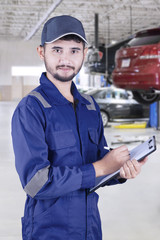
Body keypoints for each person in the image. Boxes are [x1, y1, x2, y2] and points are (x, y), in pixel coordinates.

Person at [11, 15, 147, 240]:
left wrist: (119, 168)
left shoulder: (90, 106)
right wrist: (101, 167)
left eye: (74, 50)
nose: (66, 59)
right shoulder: (31, 109)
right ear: (41, 52)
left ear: (85, 54)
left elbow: (98, 161)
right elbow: (36, 183)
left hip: (89, 229)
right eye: (57, 50)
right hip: (48, 232)